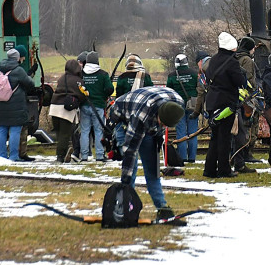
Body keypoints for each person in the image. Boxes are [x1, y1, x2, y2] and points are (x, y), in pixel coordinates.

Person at [109, 85, 186, 219]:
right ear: (158, 115)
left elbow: (160, 125)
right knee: (131, 168)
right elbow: (130, 152)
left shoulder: (178, 104)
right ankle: (125, 205)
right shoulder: (142, 116)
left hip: (147, 113)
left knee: (152, 169)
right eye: (162, 123)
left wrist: (158, 133)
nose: (163, 127)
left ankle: (162, 207)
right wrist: (125, 180)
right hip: (123, 118)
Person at [202, 33, 247, 178]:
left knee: (215, 137)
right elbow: (239, 81)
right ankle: (224, 168)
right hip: (226, 102)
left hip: (212, 102)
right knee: (225, 138)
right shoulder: (232, 62)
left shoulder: (213, 60)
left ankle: (209, 169)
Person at [0, 48, 36, 162]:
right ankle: (13, 156)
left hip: (1, 104)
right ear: (17, 58)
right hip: (16, 105)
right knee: (15, 130)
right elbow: (30, 84)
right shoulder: (18, 70)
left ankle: (2, 155)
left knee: (2, 129)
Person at [231, 37, 261, 173]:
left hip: (236, 97)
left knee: (237, 129)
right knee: (249, 127)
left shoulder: (235, 57)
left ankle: (236, 155)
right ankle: (246, 154)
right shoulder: (247, 60)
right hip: (247, 98)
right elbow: (249, 78)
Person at [49, 58, 85, 163]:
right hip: (65, 110)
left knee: (59, 134)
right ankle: (60, 157)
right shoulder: (77, 81)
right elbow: (83, 95)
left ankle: (61, 153)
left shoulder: (61, 78)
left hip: (54, 108)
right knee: (65, 134)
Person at [79, 51, 113, 162]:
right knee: (98, 131)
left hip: (84, 105)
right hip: (98, 106)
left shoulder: (81, 74)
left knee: (84, 131)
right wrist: (104, 95)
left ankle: (84, 156)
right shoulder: (103, 74)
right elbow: (110, 89)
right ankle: (99, 155)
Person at [166, 54, 200, 164]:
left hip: (178, 106)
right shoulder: (194, 73)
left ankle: (183, 157)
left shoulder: (172, 76)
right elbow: (199, 88)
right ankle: (192, 158)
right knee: (193, 132)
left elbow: (168, 92)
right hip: (193, 105)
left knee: (181, 132)